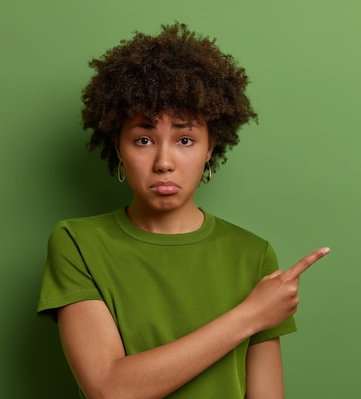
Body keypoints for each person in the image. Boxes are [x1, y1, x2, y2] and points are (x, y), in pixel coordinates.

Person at [36, 22, 329, 399]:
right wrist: (251, 315)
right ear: (119, 148)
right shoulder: (77, 243)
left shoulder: (253, 255)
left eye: (185, 139)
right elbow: (109, 388)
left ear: (210, 148)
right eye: (143, 139)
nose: (164, 161)